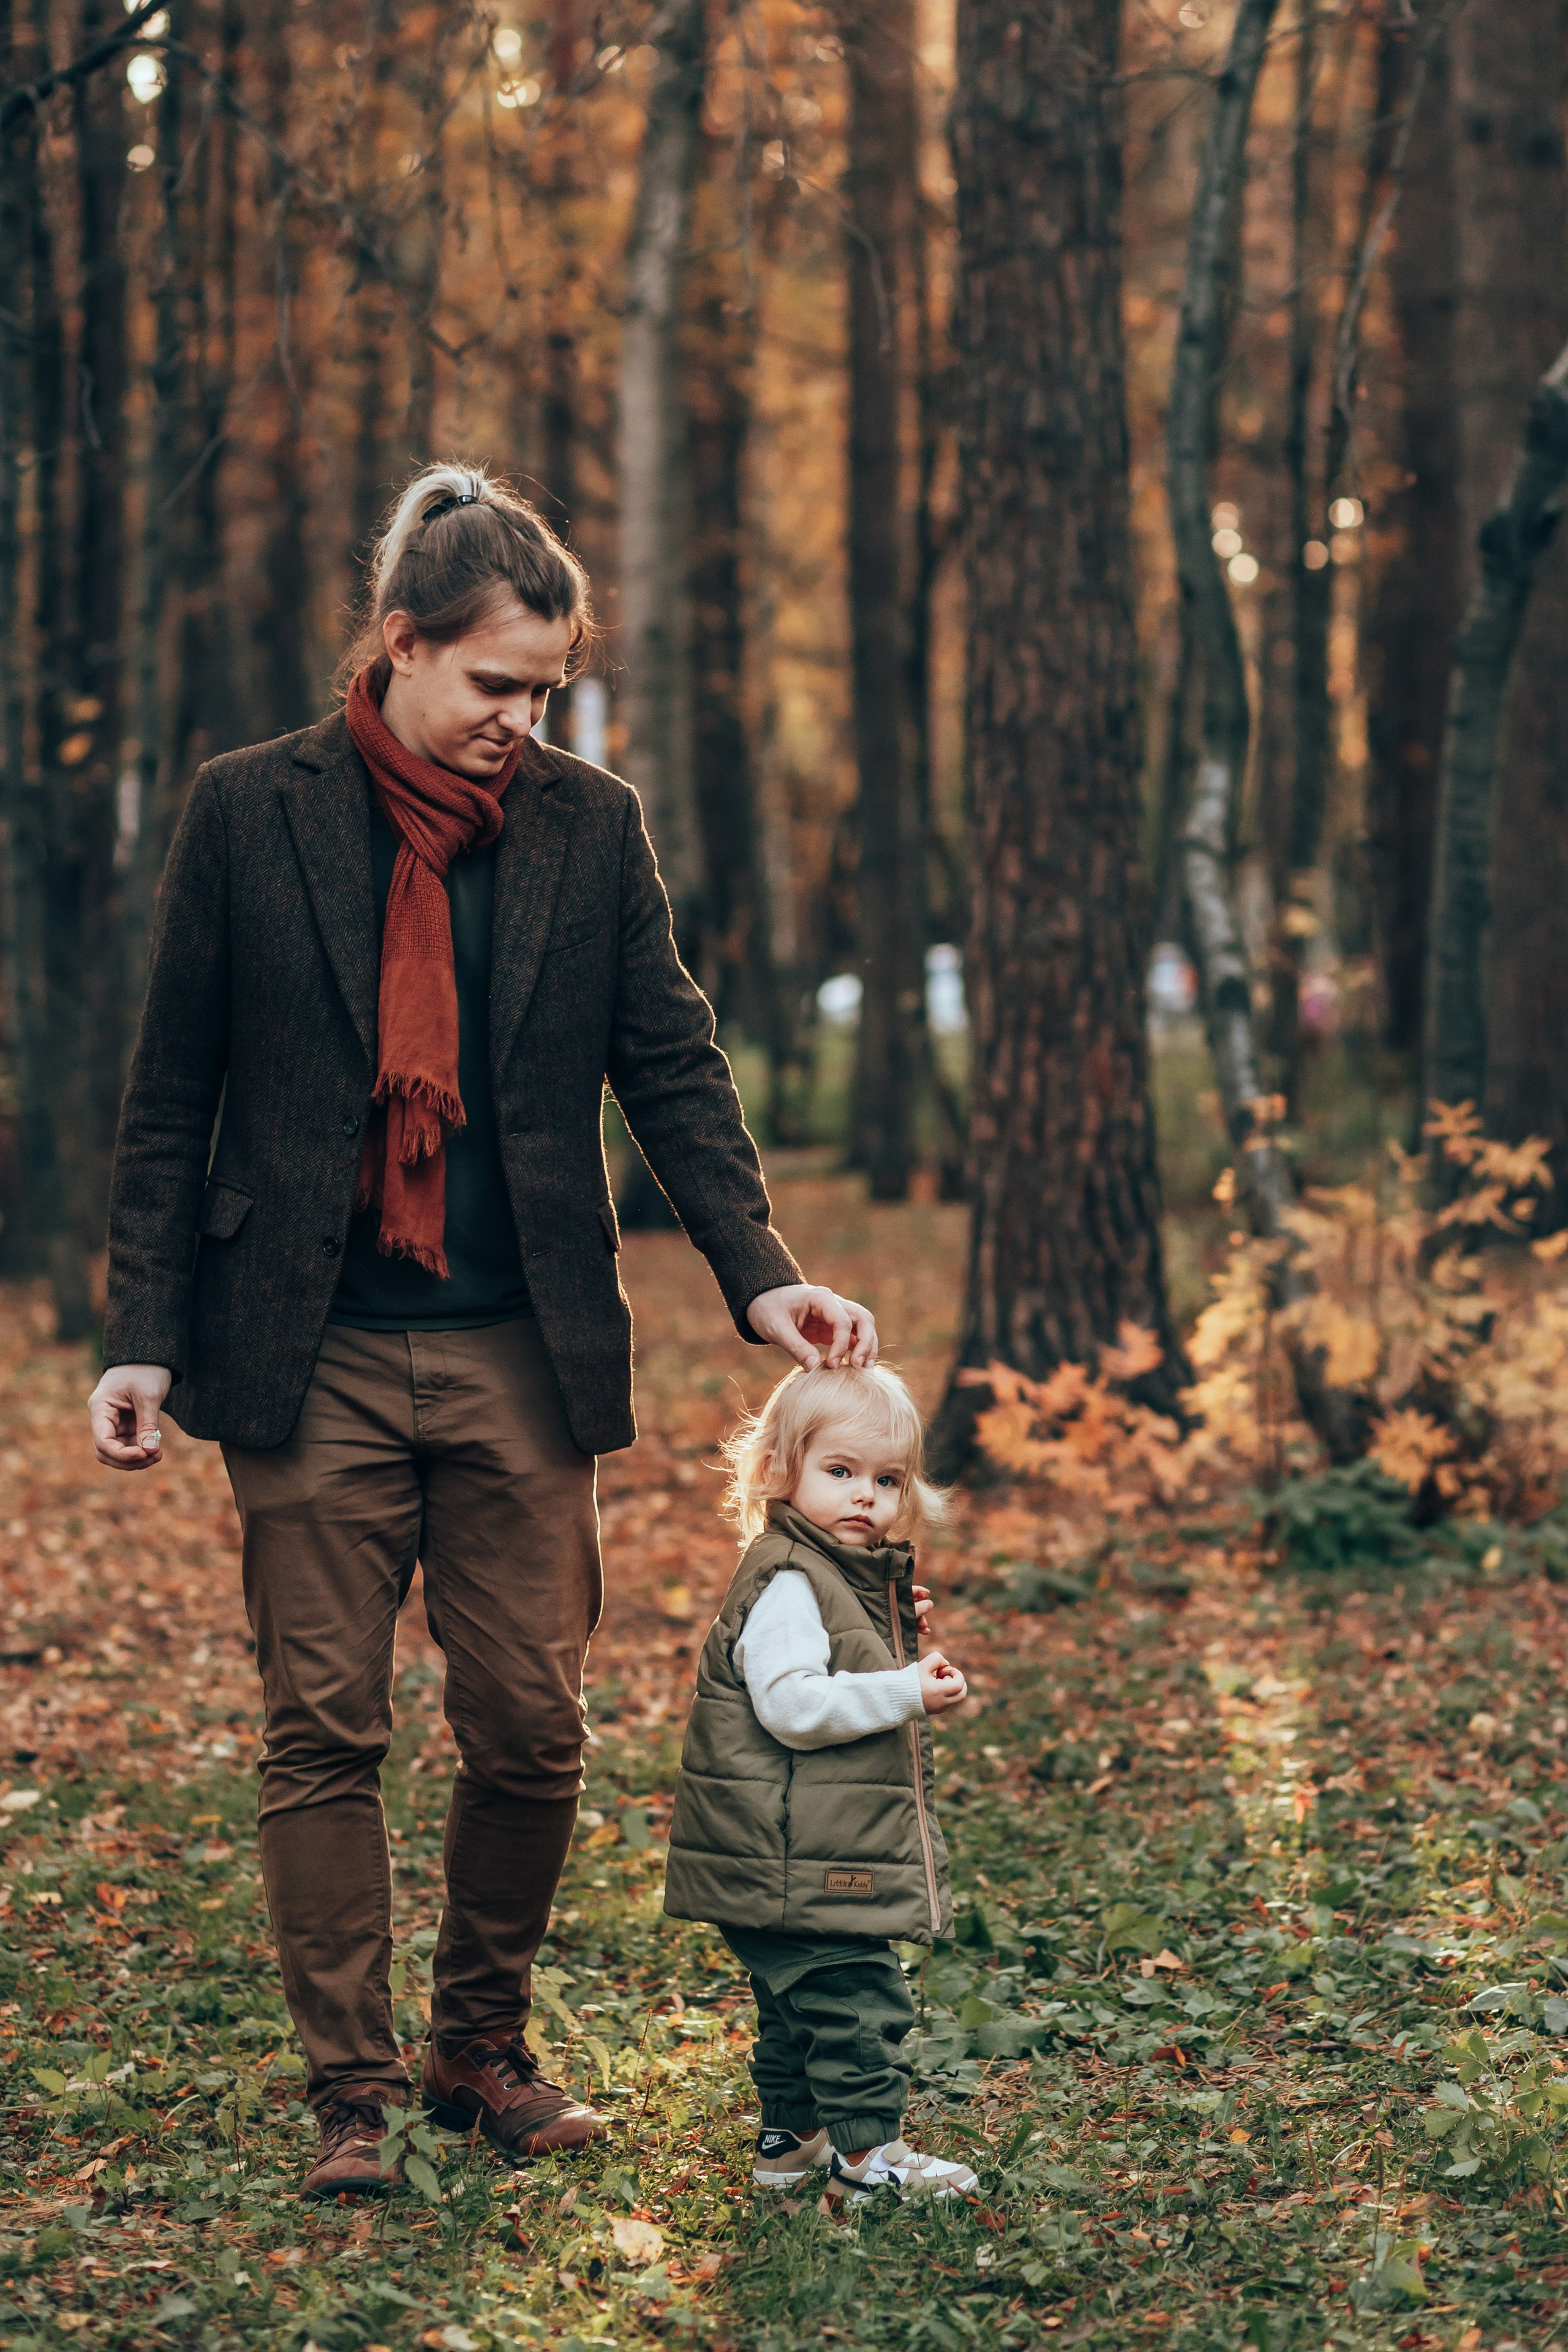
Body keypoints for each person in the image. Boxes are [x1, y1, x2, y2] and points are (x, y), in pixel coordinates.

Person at [86, 461, 878, 2199]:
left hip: (521, 1342)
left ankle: (478, 2049)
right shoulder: (250, 810)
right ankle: (351, 2093)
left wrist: (760, 1272)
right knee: (325, 1728)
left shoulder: (590, 827)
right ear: (400, 645)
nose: (524, 719)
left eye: (548, 688)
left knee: (530, 1727)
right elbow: (171, 1091)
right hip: (303, 1348)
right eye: (496, 682)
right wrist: (141, 1331)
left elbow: (667, 1061)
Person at [663, 1362, 979, 2200]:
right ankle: (869, 2158)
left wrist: (887, 1624)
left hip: (788, 1852)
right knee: (855, 1996)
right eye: (840, 1471)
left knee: (795, 2004)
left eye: (887, 1479)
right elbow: (795, 1708)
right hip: (791, 1856)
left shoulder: (825, 1573)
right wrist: (905, 1690)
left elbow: (835, 1657)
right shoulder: (792, 1583)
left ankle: (790, 2143)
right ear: (779, 1469)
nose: (865, 1495)